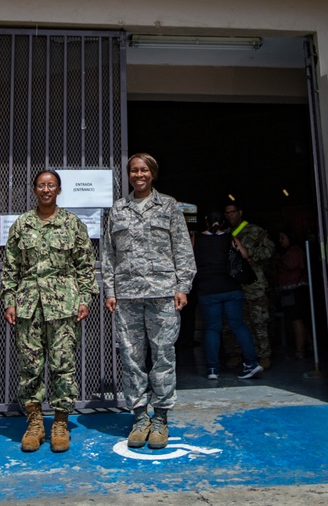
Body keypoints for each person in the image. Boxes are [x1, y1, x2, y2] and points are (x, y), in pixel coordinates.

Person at [102, 153, 196, 450]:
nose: (138, 175)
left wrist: (183, 286)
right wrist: (109, 290)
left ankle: (161, 418)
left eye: (144, 170)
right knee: (130, 358)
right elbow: (108, 254)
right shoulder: (118, 209)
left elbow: (182, 248)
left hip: (162, 294)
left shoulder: (169, 205)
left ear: (152, 174)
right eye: (133, 170)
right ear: (128, 174)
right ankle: (140, 416)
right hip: (127, 295)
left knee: (163, 355)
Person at [1, 170, 97, 453]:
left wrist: (84, 299)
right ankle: (34, 423)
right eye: (41, 185)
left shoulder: (72, 224)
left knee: (62, 366)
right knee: (30, 367)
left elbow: (85, 265)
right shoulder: (22, 225)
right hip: (28, 307)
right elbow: (10, 268)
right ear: (34, 190)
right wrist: (9, 300)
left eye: (51, 185)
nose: (46, 190)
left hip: (63, 307)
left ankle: (60, 423)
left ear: (58, 189)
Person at [192, 210, 263, 380]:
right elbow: (245, 255)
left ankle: (212, 369)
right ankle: (251, 363)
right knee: (238, 326)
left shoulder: (196, 238)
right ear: (223, 221)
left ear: (205, 220)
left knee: (211, 329)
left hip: (208, 290)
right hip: (231, 289)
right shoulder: (230, 238)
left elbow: (188, 259)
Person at [222, 202, 275, 369]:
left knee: (258, 322)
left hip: (254, 285)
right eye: (227, 213)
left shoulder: (255, 231)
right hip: (233, 285)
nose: (229, 215)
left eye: (232, 212)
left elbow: (269, 251)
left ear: (240, 212)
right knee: (234, 323)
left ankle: (264, 356)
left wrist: (249, 253)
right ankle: (238, 355)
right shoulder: (225, 234)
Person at [271, 229, 313, 359]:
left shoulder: (294, 251)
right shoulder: (289, 252)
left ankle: (300, 351)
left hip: (296, 290)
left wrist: (277, 261)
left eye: (283, 237)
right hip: (290, 290)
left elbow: (290, 265)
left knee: (297, 319)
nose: (281, 241)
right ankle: (310, 345)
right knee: (297, 319)